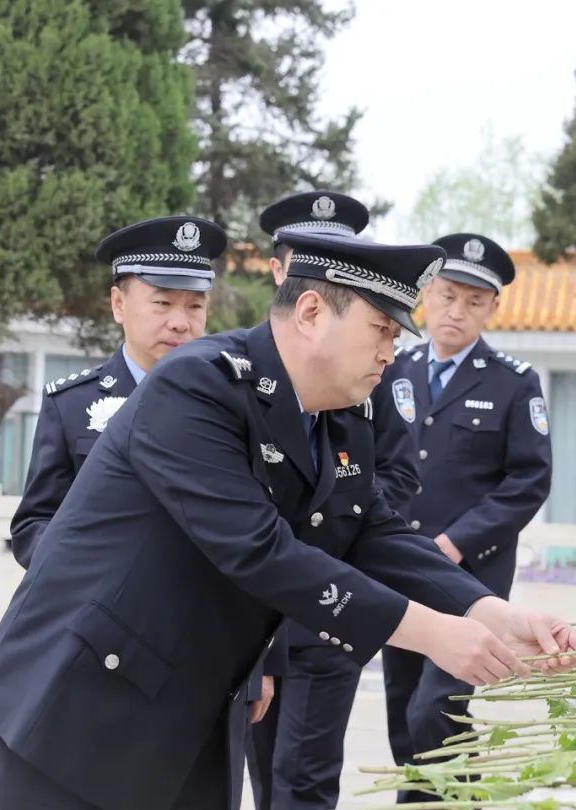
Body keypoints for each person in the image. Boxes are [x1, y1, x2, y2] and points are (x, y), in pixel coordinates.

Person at [0, 228, 576, 810]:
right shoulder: (198, 386)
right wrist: (432, 634)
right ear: (313, 312)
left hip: (190, 713)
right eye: (379, 330)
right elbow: (259, 551)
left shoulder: (345, 412)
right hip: (77, 708)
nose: (389, 353)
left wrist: (489, 611)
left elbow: (371, 529)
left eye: (396, 339)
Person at [248, 191, 421, 810]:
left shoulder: (373, 379)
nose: (386, 349)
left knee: (307, 781)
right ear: (284, 280)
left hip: (334, 608)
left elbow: (383, 491)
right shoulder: (230, 381)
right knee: (261, 776)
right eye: (299, 260)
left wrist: (470, 614)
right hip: (260, 621)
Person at [381, 232, 554, 803]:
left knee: (439, 704)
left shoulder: (513, 382)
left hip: (471, 579)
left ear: (493, 307)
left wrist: (456, 542)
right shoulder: (391, 368)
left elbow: (528, 481)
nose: (456, 311)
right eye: (448, 295)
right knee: (404, 710)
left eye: (474, 301)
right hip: (398, 568)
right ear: (427, 292)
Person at [10, 215, 221, 570]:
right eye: (162, 303)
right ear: (118, 305)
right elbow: (33, 525)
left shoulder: (228, 402)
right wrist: (91, 568)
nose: (181, 322)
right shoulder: (72, 404)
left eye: (195, 306)